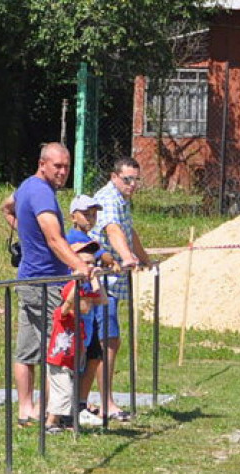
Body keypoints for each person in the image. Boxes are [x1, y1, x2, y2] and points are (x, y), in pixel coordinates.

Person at [1, 143, 93, 426]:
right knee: (59, 345)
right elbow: (55, 239)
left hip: (28, 279)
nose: (63, 172)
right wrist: (80, 267)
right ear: (42, 164)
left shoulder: (27, 186)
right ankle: (51, 414)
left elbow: (6, 206)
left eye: (66, 166)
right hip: (46, 283)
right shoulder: (41, 193)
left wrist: (25, 235)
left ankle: (26, 411)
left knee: (26, 349)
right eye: (58, 166)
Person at [91, 157, 152, 422]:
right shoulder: (108, 198)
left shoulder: (122, 200)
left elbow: (129, 231)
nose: (133, 184)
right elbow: (113, 230)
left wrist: (144, 257)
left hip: (113, 284)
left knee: (108, 341)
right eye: (128, 179)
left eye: (137, 179)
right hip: (102, 283)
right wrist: (127, 257)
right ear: (114, 176)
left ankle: (98, 400)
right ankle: (105, 403)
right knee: (107, 342)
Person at [66, 194, 116, 423]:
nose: (91, 218)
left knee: (93, 355)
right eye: (86, 213)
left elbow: (100, 253)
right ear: (73, 216)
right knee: (78, 359)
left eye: (94, 214)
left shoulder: (89, 237)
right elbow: (101, 254)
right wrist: (110, 260)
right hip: (80, 308)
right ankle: (69, 406)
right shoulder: (75, 237)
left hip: (91, 308)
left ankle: (81, 402)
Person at [44, 276, 106, 434]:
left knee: (68, 392)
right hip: (58, 361)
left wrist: (95, 279)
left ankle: (63, 421)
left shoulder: (81, 322)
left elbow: (103, 300)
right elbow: (67, 303)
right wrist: (77, 284)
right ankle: (51, 422)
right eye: (86, 300)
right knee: (63, 392)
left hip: (71, 362)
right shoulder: (62, 315)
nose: (90, 304)